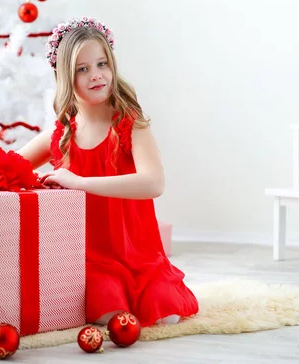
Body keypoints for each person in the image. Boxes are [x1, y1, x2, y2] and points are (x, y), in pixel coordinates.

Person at [18, 17, 199, 327]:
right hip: (89, 260)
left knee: (162, 309)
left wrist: (79, 182)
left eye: (102, 64)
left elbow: (154, 183)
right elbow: (9, 166)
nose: (96, 75)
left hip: (139, 256)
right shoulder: (61, 135)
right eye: (82, 69)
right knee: (107, 312)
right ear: (64, 77)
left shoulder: (130, 123)